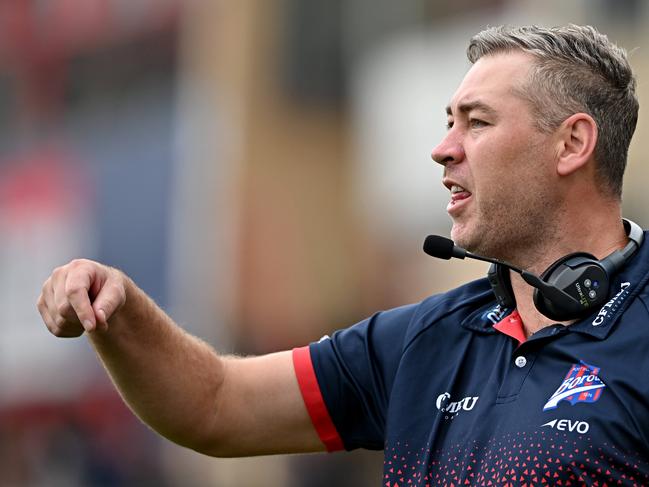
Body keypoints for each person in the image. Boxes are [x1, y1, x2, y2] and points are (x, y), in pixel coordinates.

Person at [37, 24, 649, 484]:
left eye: (477, 123)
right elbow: (213, 403)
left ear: (572, 143)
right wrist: (119, 313)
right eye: (448, 123)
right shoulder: (424, 340)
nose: (442, 149)